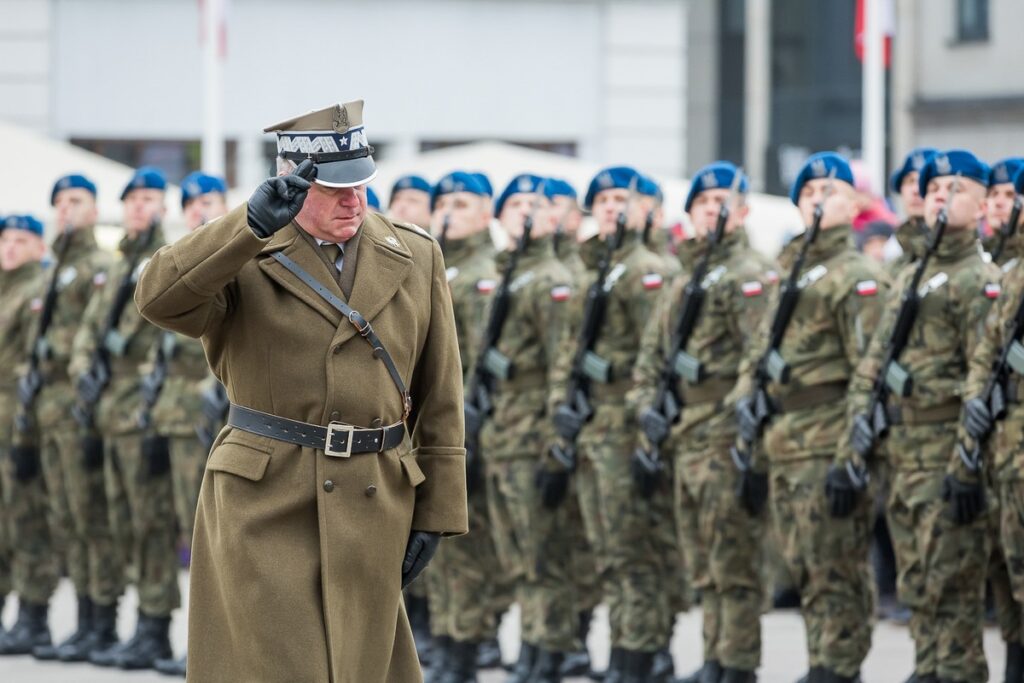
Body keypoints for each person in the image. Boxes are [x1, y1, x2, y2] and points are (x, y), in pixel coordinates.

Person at [135, 100, 468, 682]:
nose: (354, 200)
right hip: (266, 498)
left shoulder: (415, 254)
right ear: (293, 180)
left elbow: (440, 394)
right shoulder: (240, 254)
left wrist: (438, 512)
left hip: (374, 496)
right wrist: (248, 225)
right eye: (335, 188)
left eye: (361, 183)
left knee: (362, 667)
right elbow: (159, 300)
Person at [843, 149, 998, 683]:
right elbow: (875, 358)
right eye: (933, 189)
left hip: (945, 449)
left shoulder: (980, 279)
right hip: (903, 449)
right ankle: (929, 668)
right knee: (917, 582)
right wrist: (862, 421)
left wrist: (967, 462)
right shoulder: (911, 273)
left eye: (955, 189)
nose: (940, 195)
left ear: (981, 206)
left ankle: (954, 672)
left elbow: (986, 379)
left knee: (951, 584)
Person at [733, 152, 888, 683]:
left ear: (855, 204)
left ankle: (839, 667)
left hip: (828, 441)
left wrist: (852, 457)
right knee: (803, 565)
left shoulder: (858, 276)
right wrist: (747, 422)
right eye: (810, 194)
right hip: (785, 440)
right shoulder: (787, 271)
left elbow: (869, 372)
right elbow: (757, 353)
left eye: (832, 193)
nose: (819, 202)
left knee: (836, 568)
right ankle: (823, 661)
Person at [632, 162, 772, 683]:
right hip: (684, 434)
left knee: (732, 559)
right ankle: (714, 657)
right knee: (704, 560)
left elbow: (757, 358)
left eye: (723, 202)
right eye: (704, 202)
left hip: (723, 433)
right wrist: (646, 408)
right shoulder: (685, 277)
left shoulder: (750, 273)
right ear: (690, 214)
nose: (713, 209)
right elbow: (651, 357)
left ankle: (736, 663)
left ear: (743, 212)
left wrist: (734, 416)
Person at [551, 166, 678, 682]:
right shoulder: (591, 271)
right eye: (600, 199)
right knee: (606, 550)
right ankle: (628, 649)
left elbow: (659, 357)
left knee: (633, 550)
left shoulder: (650, 271)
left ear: (645, 207)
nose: (610, 206)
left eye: (621, 198)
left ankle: (640, 653)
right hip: (593, 426)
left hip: (627, 426)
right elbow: (568, 352)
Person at [69, 166, 175, 670]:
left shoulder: (166, 259)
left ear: (163, 206)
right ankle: (127, 624)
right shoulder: (116, 266)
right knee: (117, 519)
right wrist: (83, 371)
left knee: (150, 522)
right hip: (108, 410)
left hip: (143, 410)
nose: (140, 206)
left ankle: (154, 627)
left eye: (150, 198)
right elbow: (88, 331)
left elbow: (169, 337)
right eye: (133, 198)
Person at [480, 173, 579, 683]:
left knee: (542, 552)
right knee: (517, 552)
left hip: (534, 435)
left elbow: (563, 366)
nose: (522, 213)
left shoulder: (552, 279)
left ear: (550, 218)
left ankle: (548, 649)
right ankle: (535, 643)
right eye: (513, 204)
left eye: (533, 206)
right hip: (503, 432)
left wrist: (555, 445)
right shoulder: (508, 274)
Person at [420, 170, 501, 683]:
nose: (450, 211)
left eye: (464, 203)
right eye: (443, 202)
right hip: (433, 425)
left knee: (467, 546)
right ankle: (447, 641)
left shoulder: (485, 275)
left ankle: (466, 648)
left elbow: (479, 361)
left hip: (471, 426)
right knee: (441, 546)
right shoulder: (437, 269)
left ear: (487, 212)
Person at [147, 171, 229, 678]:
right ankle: (195, 643)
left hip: (232, 416)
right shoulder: (174, 267)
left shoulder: (242, 258)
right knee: (188, 535)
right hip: (178, 420)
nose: (202, 210)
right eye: (193, 204)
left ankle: (220, 645)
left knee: (225, 541)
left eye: (211, 201)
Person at [963, 164, 1024, 683]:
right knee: (1008, 571)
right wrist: (976, 399)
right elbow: (987, 353)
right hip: (1006, 447)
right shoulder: (1014, 274)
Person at [0, 215, 50, 654]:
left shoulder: (37, 290)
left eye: (21, 240)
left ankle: (33, 616)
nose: (10, 247)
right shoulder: (4, 288)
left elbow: (35, 364)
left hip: (20, 420)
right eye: (5, 240)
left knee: (26, 520)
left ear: (39, 246)